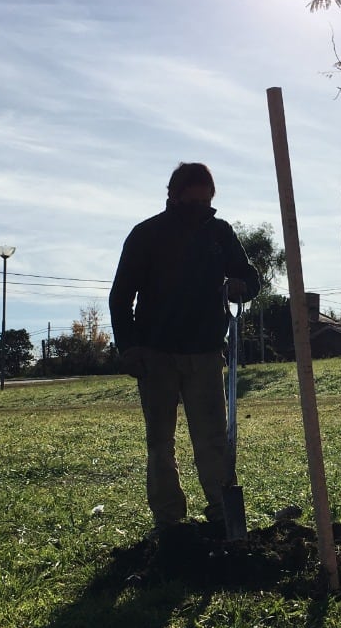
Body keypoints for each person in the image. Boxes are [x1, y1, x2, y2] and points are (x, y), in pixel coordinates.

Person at [110, 162, 262, 539]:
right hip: (156, 354)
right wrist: (129, 348)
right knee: (160, 442)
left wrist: (241, 285)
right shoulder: (146, 235)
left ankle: (221, 512)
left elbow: (251, 277)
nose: (200, 209)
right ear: (173, 196)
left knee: (212, 439)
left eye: (206, 202)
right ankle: (169, 520)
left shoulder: (219, 233)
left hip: (206, 352)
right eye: (191, 201)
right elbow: (120, 298)